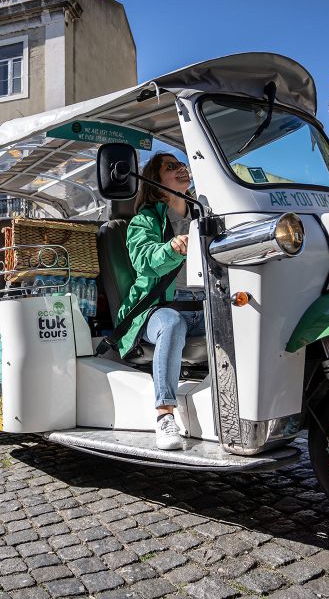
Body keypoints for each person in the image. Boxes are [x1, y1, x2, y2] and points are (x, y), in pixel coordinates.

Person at [116, 152, 205, 450]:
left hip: (203, 305)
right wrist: (172, 248)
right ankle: (164, 415)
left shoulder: (205, 214)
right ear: (155, 182)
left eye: (182, 164)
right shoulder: (144, 220)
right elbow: (145, 262)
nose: (181, 168)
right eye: (171, 166)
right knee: (171, 323)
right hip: (158, 310)